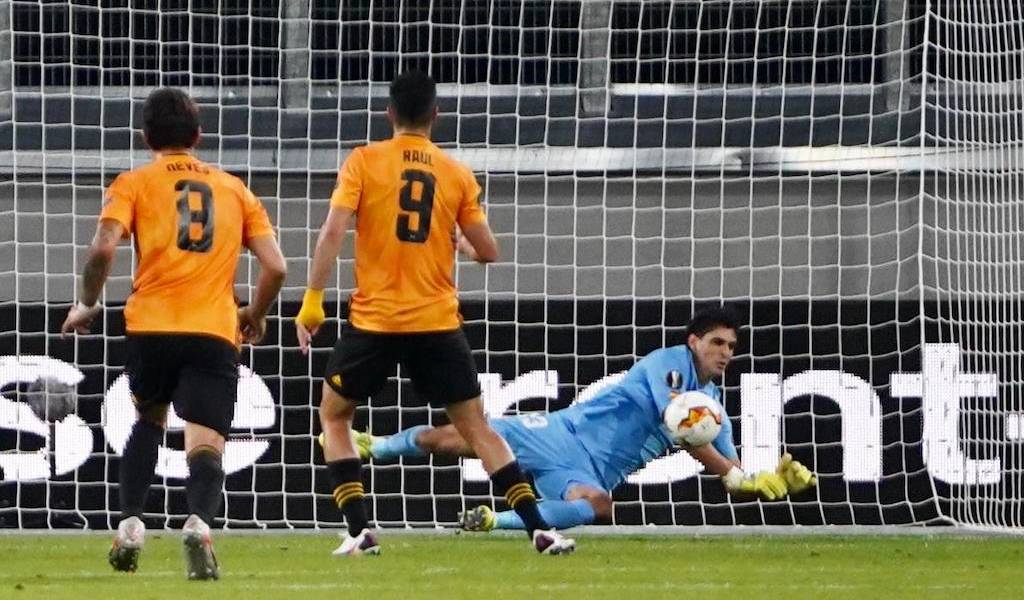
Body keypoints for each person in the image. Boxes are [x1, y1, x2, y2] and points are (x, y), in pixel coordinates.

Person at [294, 70, 574, 555]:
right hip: (436, 323)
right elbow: (489, 251)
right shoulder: (455, 173)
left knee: (335, 417)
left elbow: (333, 232)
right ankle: (539, 529)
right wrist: (462, 246)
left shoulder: (364, 161)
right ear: (435, 116)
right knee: (477, 428)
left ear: (389, 113)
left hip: (376, 321)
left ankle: (359, 531)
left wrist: (313, 301)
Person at [61, 88, 287, 579]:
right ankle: (199, 524)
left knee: (148, 420)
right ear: (198, 136)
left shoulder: (134, 183)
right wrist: (255, 312)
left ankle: (130, 526)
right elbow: (276, 266)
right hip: (212, 328)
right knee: (207, 439)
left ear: (146, 137)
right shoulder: (234, 189)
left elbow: (102, 249)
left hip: (152, 327)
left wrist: (87, 303)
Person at [348, 307, 817, 531]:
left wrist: (764, 481)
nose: (726, 352)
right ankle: (377, 446)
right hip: (561, 433)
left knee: (598, 505)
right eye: (718, 342)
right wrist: (735, 473)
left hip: (589, 472)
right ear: (694, 341)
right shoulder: (670, 364)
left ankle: (491, 521)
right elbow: (682, 424)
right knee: (457, 438)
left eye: (732, 346)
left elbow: (729, 472)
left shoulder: (714, 409)